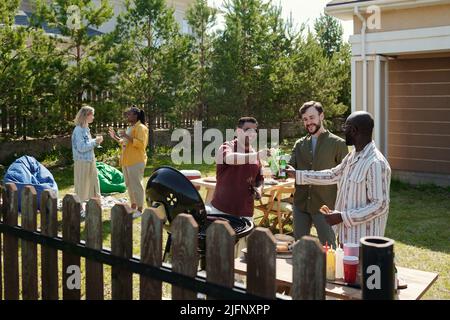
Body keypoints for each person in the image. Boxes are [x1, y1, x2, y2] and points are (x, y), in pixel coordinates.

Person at [287, 111, 391, 245]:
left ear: (354, 130)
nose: (343, 131)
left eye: (345, 128)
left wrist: (342, 216)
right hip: (346, 238)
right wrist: (298, 175)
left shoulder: (375, 163)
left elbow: (380, 205)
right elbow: (332, 174)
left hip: (364, 243)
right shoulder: (352, 156)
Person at [208, 117, 271, 257]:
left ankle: (238, 279)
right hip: (222, 210)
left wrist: (259, 190)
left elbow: (260, 179)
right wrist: (256, 155)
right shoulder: (226, 147)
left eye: (255, 130)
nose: (252, 133)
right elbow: (230, 159)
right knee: (219, 253)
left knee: (241, 256)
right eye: (248, 130)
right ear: (238, 131)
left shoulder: (255, 153)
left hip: (245, 212)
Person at [289, 101, 348, 249]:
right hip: (300, 204)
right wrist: (283, 168)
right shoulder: (299, 144)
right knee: (299, 247)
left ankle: (330, 273)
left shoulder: (338, 144)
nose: (309, 122)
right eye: (305, 119)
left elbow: (345, 176)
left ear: (321, 116)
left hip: (325, 206)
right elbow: (290, 167)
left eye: (312, 117)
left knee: (329, 248)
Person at [109, 106, 149, 215]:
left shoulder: (141, 128)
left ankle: (140, 209)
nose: (127, 116)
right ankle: (133, 206)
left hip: (136, 161)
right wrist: (115, 137)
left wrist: (126, 135)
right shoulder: (130, 127)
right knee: (129, 185)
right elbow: (125, 142)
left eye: (129, 114)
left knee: (136, 185)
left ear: (136, 115)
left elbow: (141, 144)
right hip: (127, 161)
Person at [71, 105, 103, 210]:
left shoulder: (85, 129)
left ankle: (95, 203)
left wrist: (95, 142)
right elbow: (81, 148)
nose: (93, 117)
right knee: (82, 184)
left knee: (94, 182)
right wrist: (95, 141)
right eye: (92, 115)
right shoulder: (78, 130)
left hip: (90, 159)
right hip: (81, 161)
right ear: (86, 115)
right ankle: (79, 207)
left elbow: (87, 144)